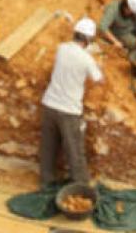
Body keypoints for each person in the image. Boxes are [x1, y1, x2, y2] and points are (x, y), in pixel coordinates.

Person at [39, 18, 103, 188]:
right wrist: (97, 62)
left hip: (49, 105)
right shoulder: (86, 59)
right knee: (75, 151)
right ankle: (81, 187)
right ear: (88, 40)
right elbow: (98, 78)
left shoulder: (61, 49)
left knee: (48, 147)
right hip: (69, 111)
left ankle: (46, 181)